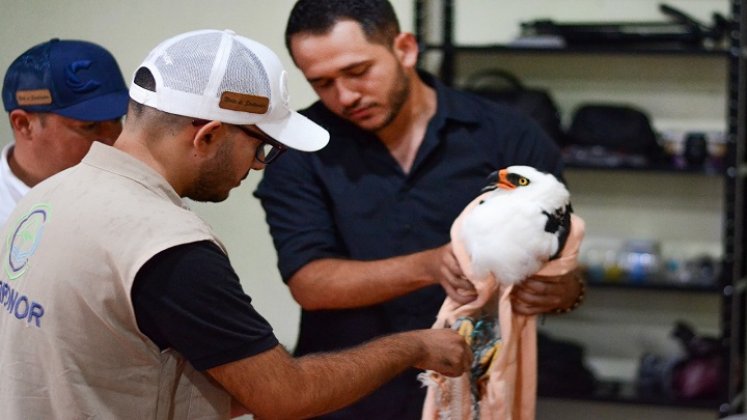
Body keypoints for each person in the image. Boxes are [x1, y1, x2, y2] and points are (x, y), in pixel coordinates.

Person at [0, 29, 472, 420]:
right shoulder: (166, 247)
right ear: (207, 135)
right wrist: (412, 347)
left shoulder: (45, 199)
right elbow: (286, 397)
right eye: (260, 146)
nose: (259, 165)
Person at [253, 1, 586, 418]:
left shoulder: (507, 137)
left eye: (358, 72)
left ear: (405, 49)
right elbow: (310, 281)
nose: (345, 96)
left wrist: (564, 289)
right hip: (348, 398)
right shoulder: (301, 151)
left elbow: (556, 249)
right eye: (322, 83)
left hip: (474, 391)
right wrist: (432, 265)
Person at [0, 38, 128, 226]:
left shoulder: (136, 188)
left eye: (117, 119)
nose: (113, 141)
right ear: (24, 124)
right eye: (90, 126)